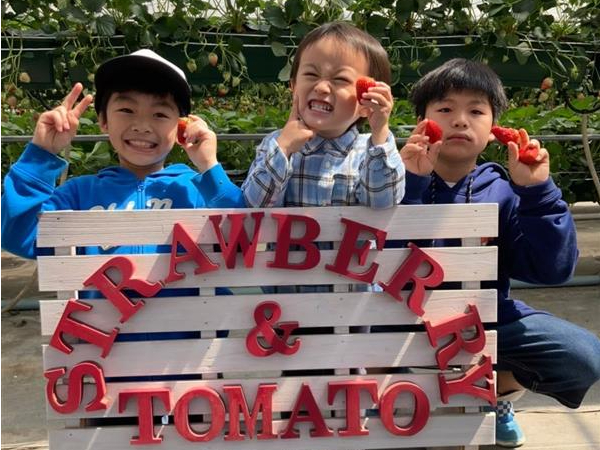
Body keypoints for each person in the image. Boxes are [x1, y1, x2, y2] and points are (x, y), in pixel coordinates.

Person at [398, 57, 600, 448]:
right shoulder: (390, 181)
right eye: (445, 109)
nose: (460, 120)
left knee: (582, 355)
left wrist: (538, 194)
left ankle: (496, 392)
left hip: (487, 319)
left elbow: (552, 271)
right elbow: (376, 255)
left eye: (476, 111)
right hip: (402, 321)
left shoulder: (505, 193)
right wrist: (411, 183)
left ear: (493, 129)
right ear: (421, 121)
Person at [1, 49, 246, 344]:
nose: (142, 125)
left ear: (181, 127)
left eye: (160, 114)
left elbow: (245, 239)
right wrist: (41, 155)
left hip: (189, 361)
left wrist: (210, 167)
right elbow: (18, 233)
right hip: (102, 363)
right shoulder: (79, 195)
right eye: (127, 110)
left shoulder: (196, 190)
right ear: (103, 120)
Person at [242, 21, 405, 209]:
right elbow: (253, 205)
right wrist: (284, 149)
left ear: (366, 100)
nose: (321, 87)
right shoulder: (276, 144)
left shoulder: (370, 152)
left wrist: (380, 131)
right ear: (293, 86)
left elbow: (383, 202)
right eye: (311, 74)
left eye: (340, 79)